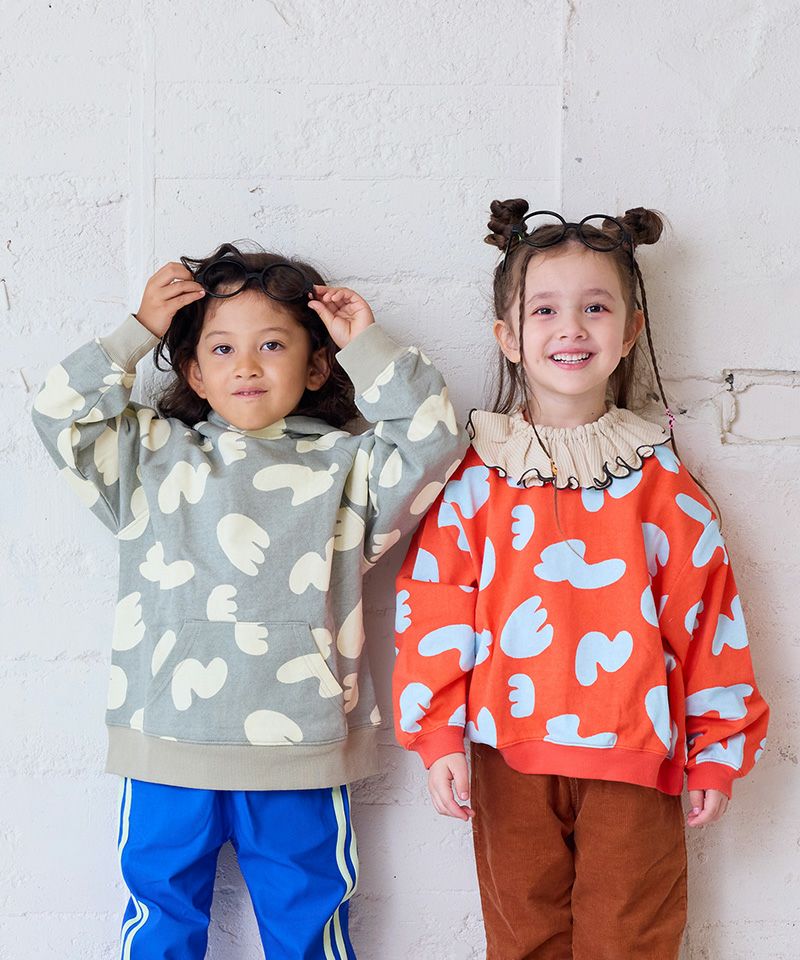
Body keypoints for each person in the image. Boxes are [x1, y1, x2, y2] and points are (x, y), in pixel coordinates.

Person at [31, 241, 467, 959]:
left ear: (317, 365)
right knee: (160, 923)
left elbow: (433, 440)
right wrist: (136, 332)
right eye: (223, 348)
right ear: (194, 372)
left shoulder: (349, 467)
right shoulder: (148, 458)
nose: (247, 365)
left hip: (302, 750)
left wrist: (368, 347)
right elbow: (57, 414)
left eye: (272, 344)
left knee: (308, 930)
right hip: (168, 745)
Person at [392, 203, 769, 959]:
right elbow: (434, 604)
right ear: (508, 337)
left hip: (638, 756)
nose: (571, 327)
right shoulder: (477, 480)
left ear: (629, 331)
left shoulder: (662, 483)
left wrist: (718, 747)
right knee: (523, 940)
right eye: (545, 310)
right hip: (508, 754)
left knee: (631, 940)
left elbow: (708, 619)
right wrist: (436, 734)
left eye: (595, 307)